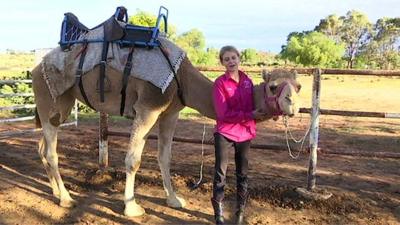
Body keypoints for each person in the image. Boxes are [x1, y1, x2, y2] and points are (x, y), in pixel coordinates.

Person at [211, 45, 265, 225]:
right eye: (226, 59)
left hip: (244, 133)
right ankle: (218, 214)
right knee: (221, 172)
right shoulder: (220, 83)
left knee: (243, 173)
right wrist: (249, 116)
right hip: (225, 132)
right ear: (222, 63)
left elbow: (255, 103)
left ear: (239, 58)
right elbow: (222, 113)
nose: (231, 61)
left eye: (233, 58)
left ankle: (240, 212)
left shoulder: (247, 81)